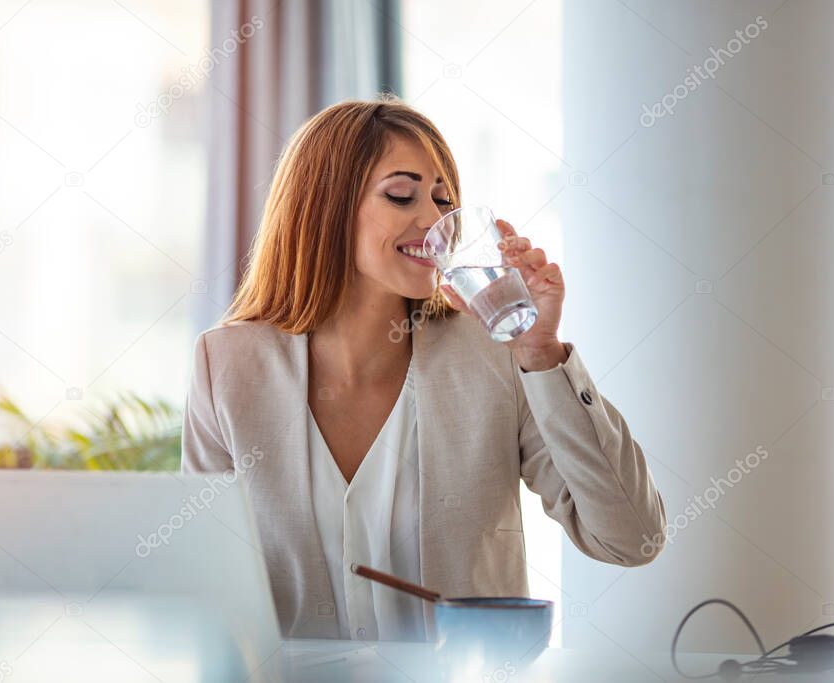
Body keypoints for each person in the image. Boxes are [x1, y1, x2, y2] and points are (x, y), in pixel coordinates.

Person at [182, 95, 666, 642]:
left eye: (443, 200)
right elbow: (205, 586)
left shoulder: (497, 359)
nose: (435, 221)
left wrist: (541, 352)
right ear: (324, 207)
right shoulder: (226, 367)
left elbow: (632, 538)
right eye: (401, 195)